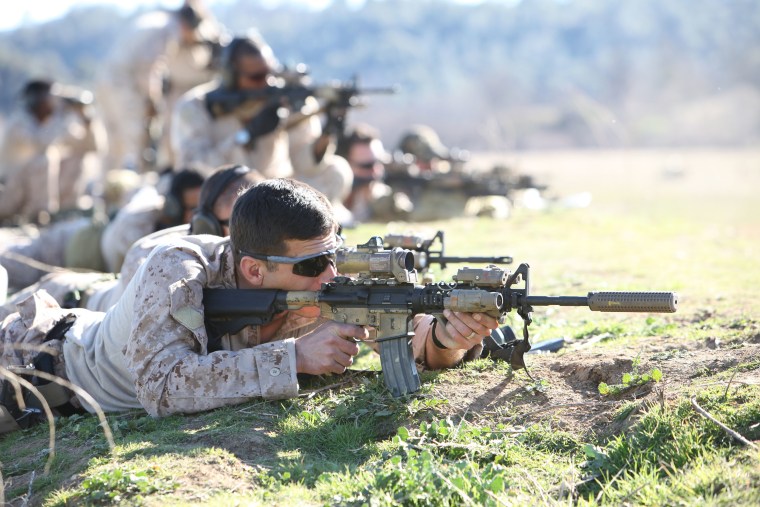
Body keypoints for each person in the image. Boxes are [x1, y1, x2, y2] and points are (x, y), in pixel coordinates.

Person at [0, 179, 497, 429]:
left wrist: (446, 342)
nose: (330, 276)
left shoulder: (322, 275)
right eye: (311, 266)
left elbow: (407, 340)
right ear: (254, 269)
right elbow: (161, 387)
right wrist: (295, 358)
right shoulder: (177, 267)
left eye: (334, 257)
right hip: (37, 363)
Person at [0, 164, 259, 320]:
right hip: (70, 276)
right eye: (234, 225)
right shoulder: (147, 240)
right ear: (207, 224)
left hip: (90, 279)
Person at [171, 34, 354, 222]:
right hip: (223, 196)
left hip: (273, 190)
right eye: (257, 77)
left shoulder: (284, 98)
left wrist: (328, 132)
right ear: (230, 75)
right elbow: (193, 168)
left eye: (270, 73)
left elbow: (305, 164)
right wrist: (246, 135)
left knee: (336, 170)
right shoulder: (195, 106)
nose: (267, 82)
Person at [95, 0, 223, 172]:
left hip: (108, 79)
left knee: (115, 142)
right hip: (125, 83)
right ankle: (131, 181)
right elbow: (152, 69)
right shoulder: (169, 30)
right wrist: (154, 102)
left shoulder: (157, 20)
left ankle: (110, 186)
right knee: (135, 139)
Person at [0, 79, 105, 223]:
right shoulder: (18, 124)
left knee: (77, 158)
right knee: (44, 159)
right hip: (8, 194)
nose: (55, 102)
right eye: (51, 97)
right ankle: (39, 216)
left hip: (34, 193)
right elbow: (42, 144)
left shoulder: (54, 125)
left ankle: (65, 211)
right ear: (36, 99)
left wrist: (87, 121)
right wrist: (62, 116)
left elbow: (93, 148)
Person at [338, 124, 413, 224]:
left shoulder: (383, 197)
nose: (375, 170)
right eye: (367, 166)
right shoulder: (331, 191)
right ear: (348, 163)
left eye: (379, 162)